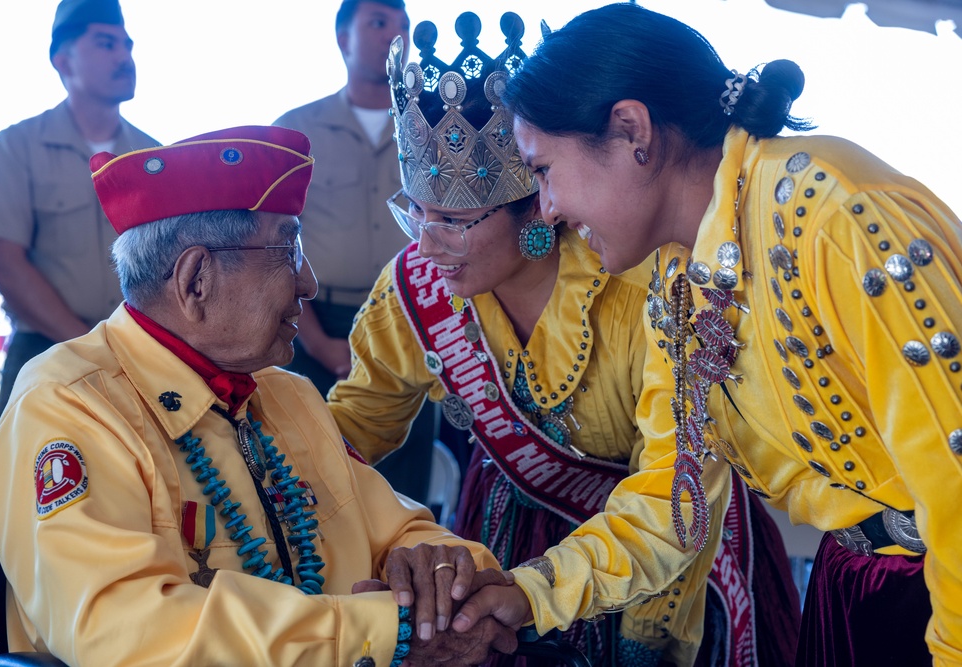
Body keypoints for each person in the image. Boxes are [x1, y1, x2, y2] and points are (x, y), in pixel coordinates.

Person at [449, 5, 962, 667]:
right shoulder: (678, 274)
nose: (547, 210)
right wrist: (530, 592)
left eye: (544, 169)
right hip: (853, 587)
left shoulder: (832, 217)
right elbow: (674, 494)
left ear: (632, 130)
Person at [329, 13, 801, 666]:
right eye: (414, 214)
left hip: (672, 553)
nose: (426, 245)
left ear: (538, 206)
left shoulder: (648, 286)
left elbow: (671, 493)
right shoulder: (415, 285)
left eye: (454, 221)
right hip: (503, 550)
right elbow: (352, 427)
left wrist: (598, 618)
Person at [0, 125, 518, 666]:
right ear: (196, 280)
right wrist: (388, 632)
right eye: (288, 250)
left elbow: (398, 529)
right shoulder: (67, 407)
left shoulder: (287, 396)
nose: (308, 282)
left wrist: (446, 581)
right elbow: (125, 632)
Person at [0, 0, 159, 421]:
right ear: (62, 60)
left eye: (127, 45)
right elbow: (5, 265)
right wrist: (91, 345)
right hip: (46, 351)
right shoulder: (17, 147)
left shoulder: (154, 157)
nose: (124, 56)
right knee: (23, 480)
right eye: (106, 44)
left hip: (143, 357)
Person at [273, 0, 435, 501]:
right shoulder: (296, 131)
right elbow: (274, 245)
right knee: (309, 478)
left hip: (415, 319)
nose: (396, 36)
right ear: (342, 37)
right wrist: (318, 343)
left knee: (402, 491)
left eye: (404, 26)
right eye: (379, 23)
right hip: (310, 323)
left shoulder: (436, 123)